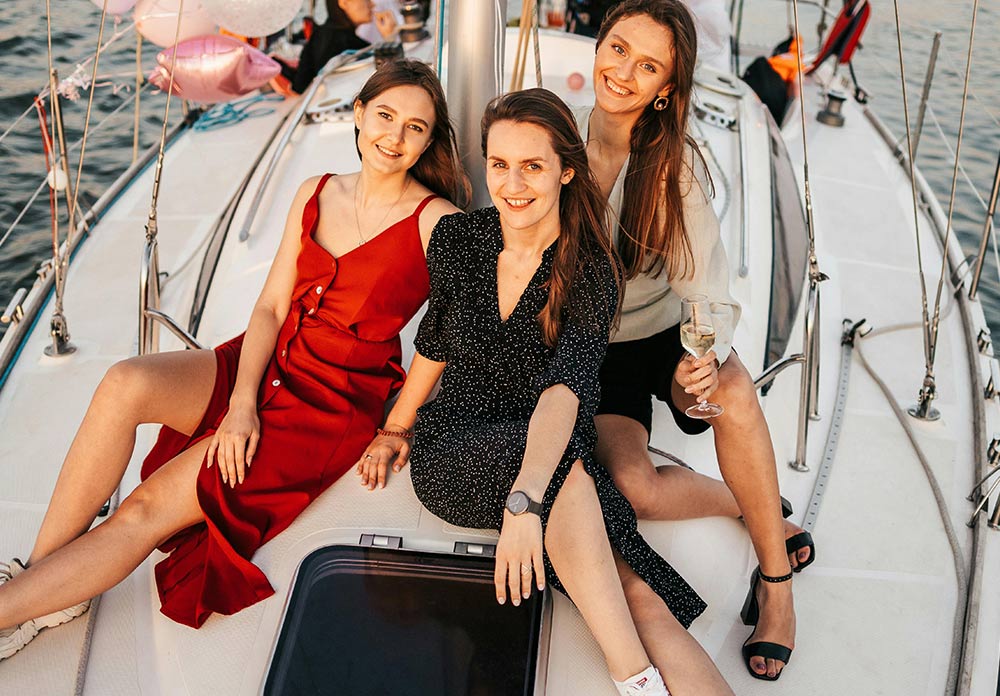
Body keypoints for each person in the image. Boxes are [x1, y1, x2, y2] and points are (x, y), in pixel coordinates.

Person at [0, 59, 468, 658]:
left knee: (145, 509)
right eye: (385, 115)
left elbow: (450, 333)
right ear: (357, 113)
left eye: (414, 127)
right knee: (123, 382)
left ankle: (15, 604)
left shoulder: (439, 223)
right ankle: (43, 580)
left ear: (428, 141)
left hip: (327, 406)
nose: (394, 136)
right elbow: (270, 307)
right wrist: (241, 405)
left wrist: (397, 426)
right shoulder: (316, 190)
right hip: (264, 362)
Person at [357, 88, 734, 696]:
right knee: (600, 533)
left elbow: (566, 390)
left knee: (635, 590)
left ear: (566, 170)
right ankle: (631, 674)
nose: (512, 184)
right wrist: (398, 426)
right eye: (499, 164)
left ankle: (635, 679)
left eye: (532, 166)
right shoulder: (458, 238)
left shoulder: (591, 269)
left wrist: (526, 504)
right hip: (459, 447)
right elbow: (435, 340)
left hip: (551, 452)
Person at [577, 0, 811, 681]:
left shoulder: (673, 169)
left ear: (666, 90)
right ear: (601, 43)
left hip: (661, 334)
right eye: (619, 49)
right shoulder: (557, 140)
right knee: (634, 488)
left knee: (731, 390)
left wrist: (702, 359)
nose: (624, 72)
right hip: (593, 348)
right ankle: (754, 505)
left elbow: (707, 291)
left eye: (648, 66)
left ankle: (776, 587)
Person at [285, 0, 397, 95]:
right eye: (366, 0)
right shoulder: (349, 45)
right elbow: (385, 81)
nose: (372, 4)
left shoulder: (320, 33)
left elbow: (299, 85)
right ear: (344, 3)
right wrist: (390, 40)